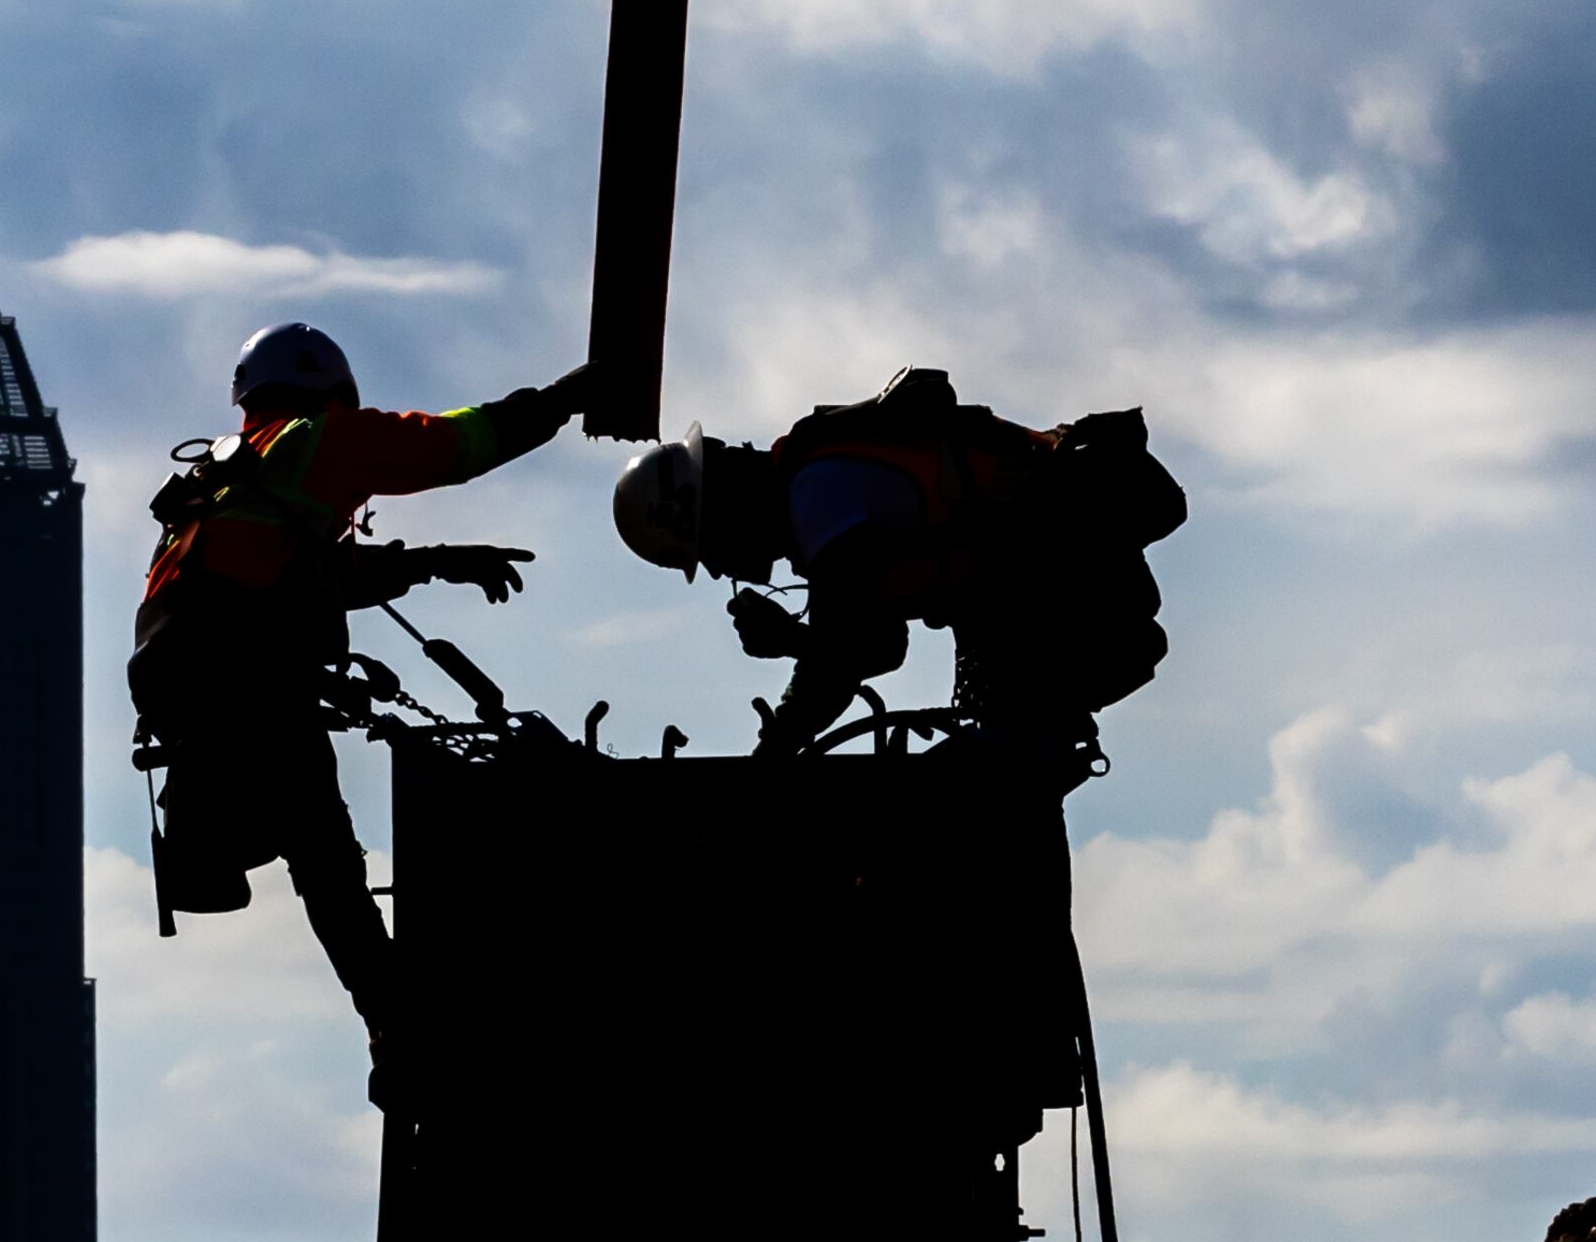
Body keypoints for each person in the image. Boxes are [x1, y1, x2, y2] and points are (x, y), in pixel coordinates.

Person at [131, 321, 594, 1055]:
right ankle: (401, 1028)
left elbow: (307, 573)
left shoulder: (229, 475)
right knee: (325, 853)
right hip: (241, 673)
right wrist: (563, 401)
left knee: (310, 840)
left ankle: (204, 833)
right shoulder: (320, 437)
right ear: (331, 390)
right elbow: (450, 444)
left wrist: (440, 560)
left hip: (179, 683)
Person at [611, 369, 1183, 771]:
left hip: (1057, 594)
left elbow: (853, 653)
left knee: (992, 773)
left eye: (707, 552)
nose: (718, 571)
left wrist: (770, 748)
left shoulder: (818, 498)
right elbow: (875, 641)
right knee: (992, 754)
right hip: (1038, 602)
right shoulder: (820, 487)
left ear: (720, 514)